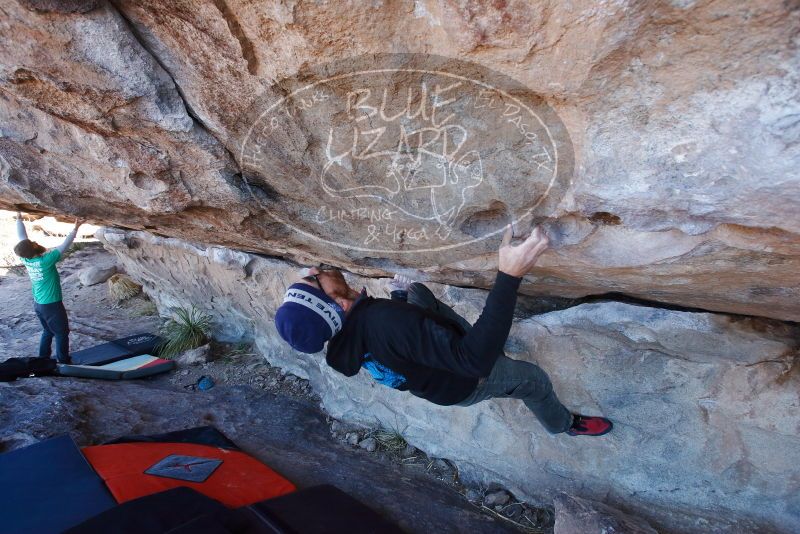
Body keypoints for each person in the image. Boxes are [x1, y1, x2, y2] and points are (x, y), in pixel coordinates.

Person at [275, 225, 613, 437]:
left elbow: (397, 342)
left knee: (417, 294)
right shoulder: (387, 322)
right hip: (467, 379)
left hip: (432, 367)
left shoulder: (349, 339)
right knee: (534, 381)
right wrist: (509, 276)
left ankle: (484, 339)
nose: (314, 267)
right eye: (313, 277)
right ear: (335, 301)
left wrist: (399, 297)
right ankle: (564, 425)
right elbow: (472, 361)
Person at [13, 211, 84, 364]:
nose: (30, 241)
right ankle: (64, 360)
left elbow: (21, 237)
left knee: (48, 331)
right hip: (51, 304)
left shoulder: (26, 258)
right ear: (33, 248)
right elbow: (64, 246)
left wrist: (19, 218)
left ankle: (43, 358)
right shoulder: (46, 260)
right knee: (62, 332)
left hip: (39, 304)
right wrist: (76, 227)